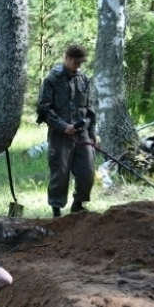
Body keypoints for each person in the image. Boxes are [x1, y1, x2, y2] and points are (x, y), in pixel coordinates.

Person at [36, 43, 97, 217]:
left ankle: (78, 206)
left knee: (88, 171)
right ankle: (56, 211)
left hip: (82, 133)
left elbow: (90, 108)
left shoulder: (83, 79)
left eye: (81, 63)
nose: (79, 66)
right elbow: (43, 109)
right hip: (60, 135)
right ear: (67, 58)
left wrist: (92, 133)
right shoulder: (52, 80)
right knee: (59, 174)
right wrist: (63, 126)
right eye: (76, 62)